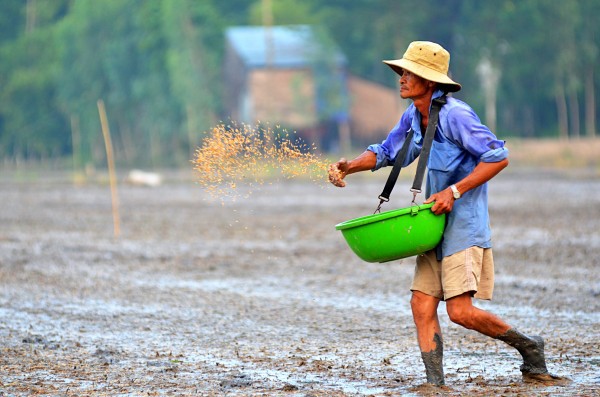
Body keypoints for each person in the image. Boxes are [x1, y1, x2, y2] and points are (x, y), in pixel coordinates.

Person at [329, 41, 566, 386]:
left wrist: (455, 191)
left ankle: (530, 347)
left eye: (410, 73)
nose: (402, 78)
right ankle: (435, 383)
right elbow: (386, 152)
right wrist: (349, 166)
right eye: (402, 72)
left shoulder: (457, 115)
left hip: (464, 225)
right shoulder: (413, 116)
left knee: (460, 312)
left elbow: (498, 157)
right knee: (420, 304)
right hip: (432, 225)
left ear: (430, 81)